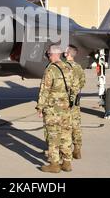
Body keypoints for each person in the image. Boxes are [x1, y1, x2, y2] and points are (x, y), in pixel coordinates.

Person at [36, 45, 74, 173]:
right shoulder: (68, 67)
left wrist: (40, 107)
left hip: (53, 110)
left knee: (53, 137)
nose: (48, 56)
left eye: (48, 54)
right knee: (66, 135)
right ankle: (67, 162)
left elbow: (44, 90)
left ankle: (54, 164)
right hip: (66, 108)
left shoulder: (50, 70)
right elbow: (74, 88)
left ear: (52, 55)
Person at [64, 45, 86, 160]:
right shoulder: (79, 67)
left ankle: (63, 151)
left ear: (67, 53)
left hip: (64, 102)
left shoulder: (63, 67)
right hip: (76, 101)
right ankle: (77, 149)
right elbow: (83, 82)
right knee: (76, 125)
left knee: (64, 126)